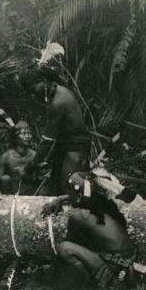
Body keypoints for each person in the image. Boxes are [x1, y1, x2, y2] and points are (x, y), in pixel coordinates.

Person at [41, 172, 135, 290]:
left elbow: (72, 242)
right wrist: (60, 198)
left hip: (114, 268)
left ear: (79, 195)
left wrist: (52, 271)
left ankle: (89, 287)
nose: (68, 195)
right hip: (127, 261)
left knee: (65, 248)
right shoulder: (102, 203)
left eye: (70, 192)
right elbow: (82, 195)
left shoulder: (80, 216)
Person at [20, 44, 90, 196]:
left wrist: (31, 165)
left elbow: (47, 140)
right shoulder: (60, 91)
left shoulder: (58, 103)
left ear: (44, 81)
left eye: (34, 90)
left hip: (74, 151)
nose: (34, 95)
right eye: (30, 93)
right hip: (70, 149)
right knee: (57, 190)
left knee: (67, 192)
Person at [0, 121, 41, 195]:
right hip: (10, 195)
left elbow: (40, 178)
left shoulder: (34, 155)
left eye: (29, 133)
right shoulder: (6, 157)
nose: (27, 136)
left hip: (31, 192)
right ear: (16, 137)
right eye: (23, 133)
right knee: (5, 178)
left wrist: (25, 175)